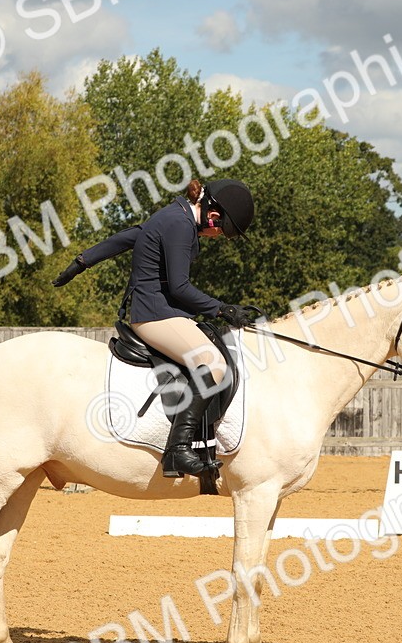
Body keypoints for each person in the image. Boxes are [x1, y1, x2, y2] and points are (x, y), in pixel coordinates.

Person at [52, 178, 256, 478]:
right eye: (222, 231)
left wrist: (83, 261)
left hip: (164, 311)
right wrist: (222, 308)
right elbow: (180, 286)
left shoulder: (175, 216)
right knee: (213, 364)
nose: (218, 236)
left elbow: (130, 236)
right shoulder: (180, 224)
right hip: (155, 315)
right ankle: (178, 450)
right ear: (213, 214)